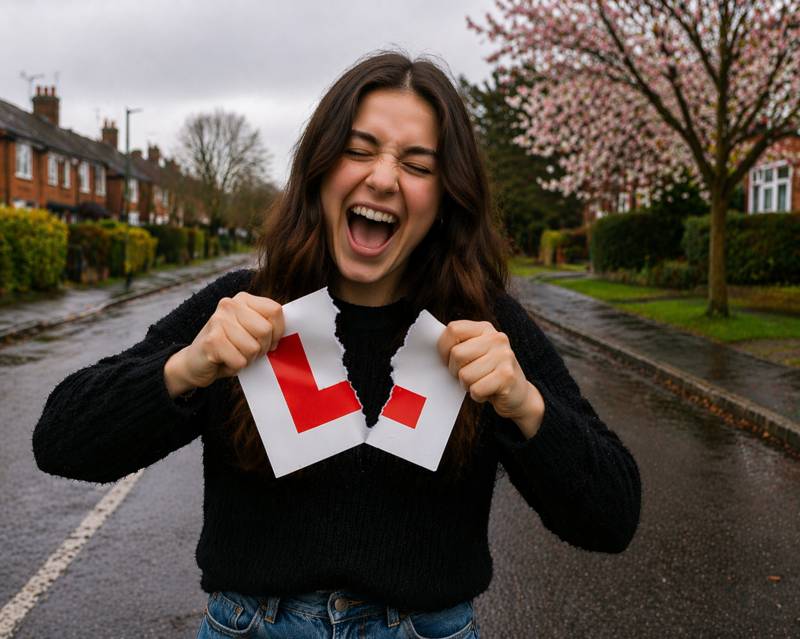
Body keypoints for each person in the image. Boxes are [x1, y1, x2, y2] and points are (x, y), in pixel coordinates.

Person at [33, 51, 641, 639]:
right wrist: (186, 367)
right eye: (359, 150)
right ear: (320, 170)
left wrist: (525, 404)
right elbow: (61, 440)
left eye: (418, 165)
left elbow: (613, 519)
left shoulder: (484, 328)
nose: (383, 178)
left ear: (446, 197)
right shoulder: (245, 309)